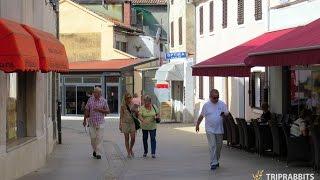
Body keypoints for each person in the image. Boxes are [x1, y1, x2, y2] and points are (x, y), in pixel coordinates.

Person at [196, 89, 229, 170]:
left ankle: (216, 160)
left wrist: (225, 114)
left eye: (217, 97)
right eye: (214, 97)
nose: (216, 99)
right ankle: (213, 163)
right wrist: (197, 124)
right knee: (213, 145)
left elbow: (227, 113)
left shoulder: (222, 104)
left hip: (219, 129)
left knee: (219, 146)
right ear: (210, 97)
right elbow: (201, 116)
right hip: (209, 129)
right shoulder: (206, 105)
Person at [83, 87, 110, 159]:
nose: (94, 94)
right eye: (94, 92)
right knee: (93, 138)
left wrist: (99, 110)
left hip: (101, 122)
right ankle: (95, 150)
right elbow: (86, 109)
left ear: (100, 93)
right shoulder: (90, 99)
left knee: (99, 138)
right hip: (91, 122)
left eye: (96, 92)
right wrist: (84, 120)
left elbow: (108, 111)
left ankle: (98, 153)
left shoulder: (104, 101)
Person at [119, 93, 137, 158]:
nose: (129, 99)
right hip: (125, 123)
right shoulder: (123, 106)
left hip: (132, 123)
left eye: (130, 97)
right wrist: (120, 124)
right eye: (127, 98)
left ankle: (130, 148)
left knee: (133, 138)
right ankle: (128, 152)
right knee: (126, 138)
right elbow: (121, 116)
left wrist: (135, 111)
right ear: (125, 98)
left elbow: (137, 114)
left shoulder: (133, 105)